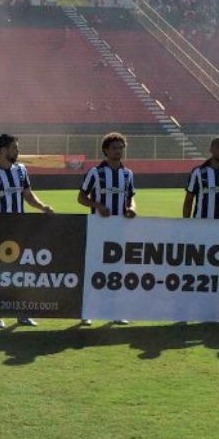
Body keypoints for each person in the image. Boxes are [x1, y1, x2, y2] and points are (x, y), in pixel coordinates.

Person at [0, 133, 54, 329]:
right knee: (1, 273)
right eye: (15, 148)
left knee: (22, 272)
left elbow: (27, 194)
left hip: (21, 229)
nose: (18, 151)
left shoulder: (21, 170)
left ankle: (22, 313)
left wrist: (42, 207)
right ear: (3, 150)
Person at [77, 132, 136, 326]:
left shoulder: (128, 174)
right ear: (105, 150)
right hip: (98, 229)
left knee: (117, 271)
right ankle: (87, 311)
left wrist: (131, 208)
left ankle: (116, 311)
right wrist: (98, 206)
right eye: (114, 148)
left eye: (121, 148)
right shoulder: (95, 173)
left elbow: (130, 197)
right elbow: (81, 198)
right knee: (94, 269)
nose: (118, 151)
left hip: (119, 230)